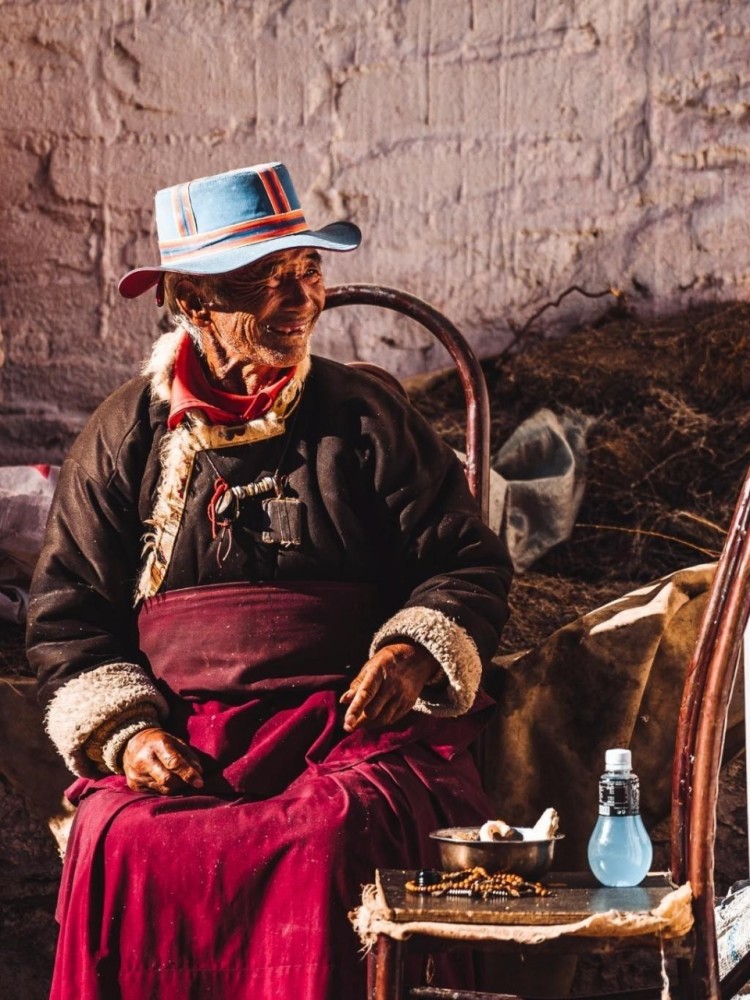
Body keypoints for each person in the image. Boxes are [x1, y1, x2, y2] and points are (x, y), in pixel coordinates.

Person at [27, 162, 512, 999]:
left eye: (307, 272)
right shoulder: (121, 438)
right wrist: (131, 738)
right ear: (192, 302)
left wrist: (412, 651)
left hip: (349, 733)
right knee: (124, 838)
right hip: (187, 739)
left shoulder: (365, 415)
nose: (300, 300)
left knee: (333, 833)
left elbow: (460, 562)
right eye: (264, 282)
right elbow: (69, 616)